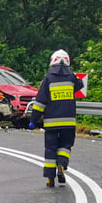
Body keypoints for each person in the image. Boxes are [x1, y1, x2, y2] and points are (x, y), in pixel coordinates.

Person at [29, 50, 84, 187]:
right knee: (65, 146)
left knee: (50, 148)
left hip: (51, 123)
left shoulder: (48, 79)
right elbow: (80, 85)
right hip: (68, 122)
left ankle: (50, 178)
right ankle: (62, 165)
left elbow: (40, 102)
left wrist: (33, 120)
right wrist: (70, 73)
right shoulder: (71, 78)